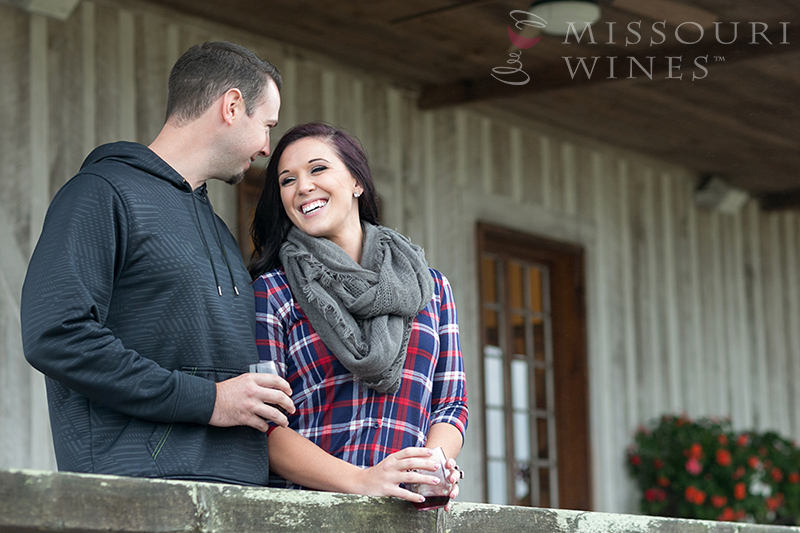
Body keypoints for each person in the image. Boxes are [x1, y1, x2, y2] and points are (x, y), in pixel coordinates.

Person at [20, 41, 295, 485]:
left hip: (239, 498)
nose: (267, 147)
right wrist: (209, 400)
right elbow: (55, 334)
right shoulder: (100, 193)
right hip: (141, 497)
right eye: (266, 125)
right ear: (231, 106)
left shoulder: (220, 230)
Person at [249, 122, 468, 509]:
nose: (303, 187)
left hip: (404, 517)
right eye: (287, 180)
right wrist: (363, 481)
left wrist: (433, 466)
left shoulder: (431, 290)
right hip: (306, 514)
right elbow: (263, 426)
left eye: (318, 169)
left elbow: (450, 405)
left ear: (356, 181)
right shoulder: (274, 292)